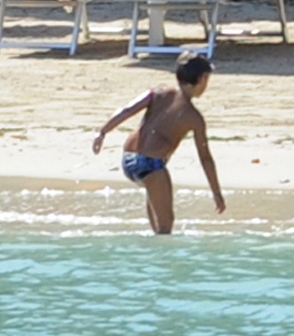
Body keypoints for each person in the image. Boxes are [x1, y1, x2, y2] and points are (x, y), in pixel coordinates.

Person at [93, 54, 223, 236]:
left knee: (156, 221)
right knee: (165, 228)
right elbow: (205, 158)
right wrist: (216, 193)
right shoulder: (194, 117)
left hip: (129, 160)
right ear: (202, 80)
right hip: (152, 166)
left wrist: (102, 132)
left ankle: (149, 259)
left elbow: (127, 110)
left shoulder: (158, 93)